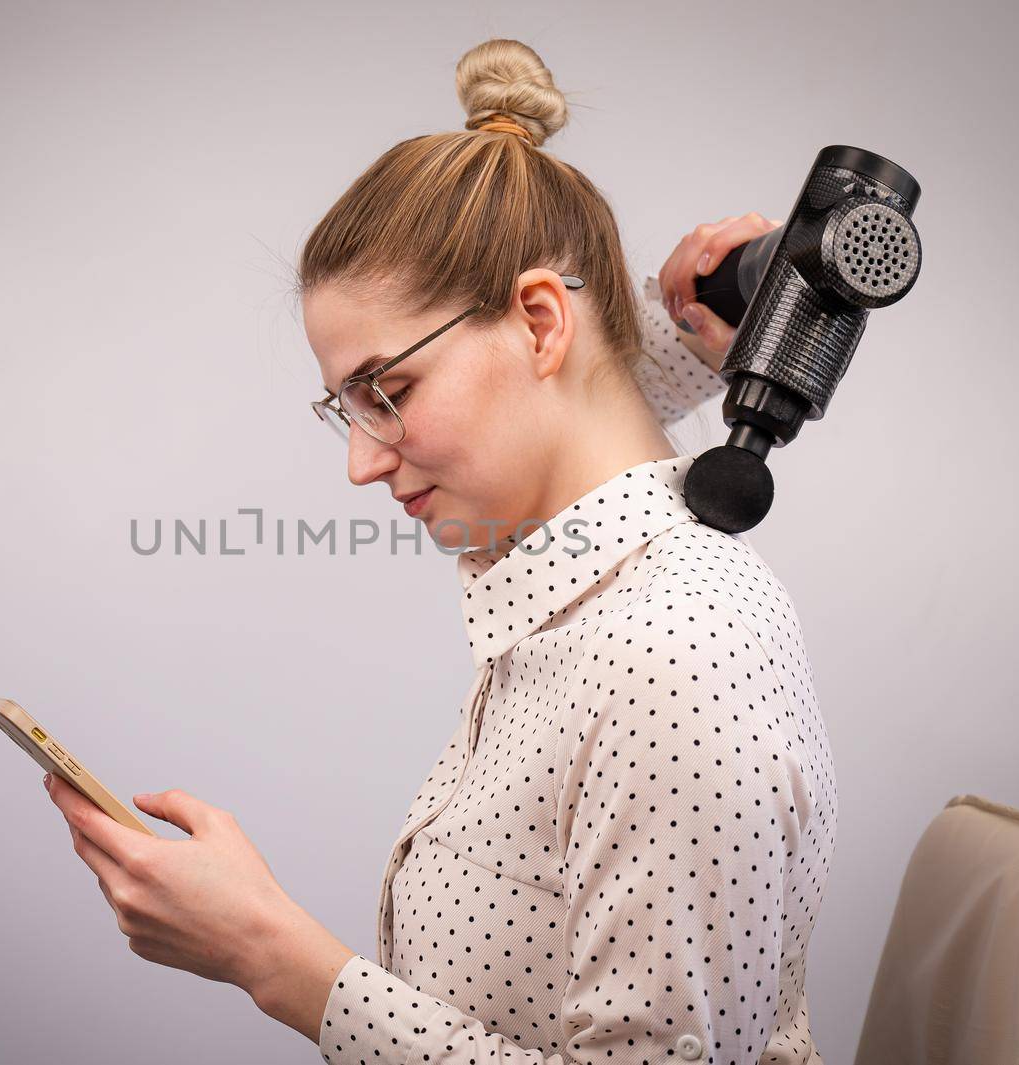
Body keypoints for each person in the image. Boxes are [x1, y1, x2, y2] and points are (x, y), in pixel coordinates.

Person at [42, 36, 836, 1065]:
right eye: (347, 408)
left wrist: (276, 960)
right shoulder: (575, 587)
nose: (361, 468)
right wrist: (681, 330)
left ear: (543, 323)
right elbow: (574, 399)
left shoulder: (670, 651)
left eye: (390, 391)